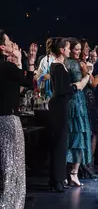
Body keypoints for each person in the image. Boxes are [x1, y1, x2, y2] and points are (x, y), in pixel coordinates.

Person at [0, 29, 36, 208]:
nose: (12, 45)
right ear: (2, 47)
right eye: (8, 43)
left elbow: (15, 91)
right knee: (12, 166)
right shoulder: (7, 67)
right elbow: (29, 84)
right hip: (7, 121)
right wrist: (26, 63)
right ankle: (9, 204)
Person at [48, 38, 89, 192]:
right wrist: (75, 86)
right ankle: (57, 180)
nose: (69, 50)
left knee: (61, 142)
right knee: (59, 143)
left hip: (62, 105)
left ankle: (57, 179)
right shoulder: (58, 67)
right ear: (61, 50)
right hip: (59, 106)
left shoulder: (60, 66)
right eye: (67, 47)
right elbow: (60, 90)